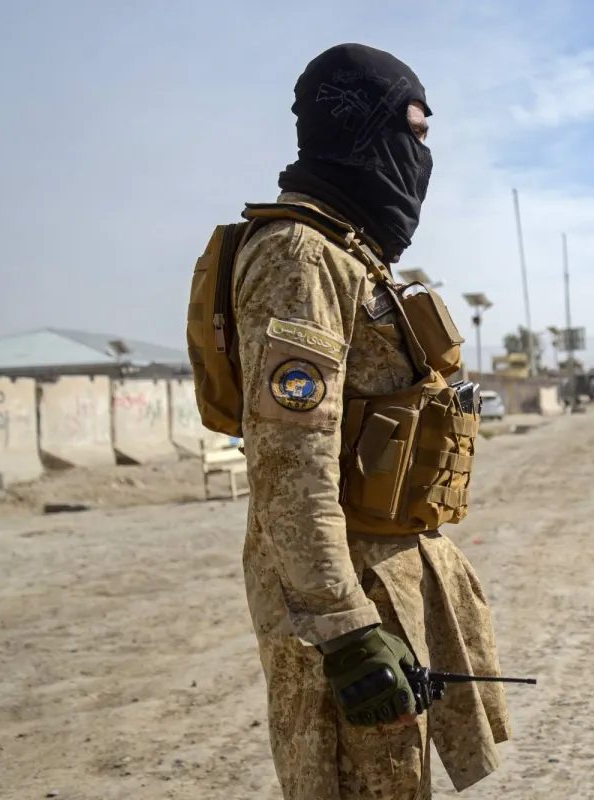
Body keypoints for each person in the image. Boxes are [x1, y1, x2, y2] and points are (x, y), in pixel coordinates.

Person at [233, 44, 510, 799]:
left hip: (380, 577)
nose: (423, 152)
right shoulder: (299, 257)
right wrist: (345, 627)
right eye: (412, 131)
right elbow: (289, 462)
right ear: (360, 128)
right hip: (347, 596)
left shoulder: (346, 252)